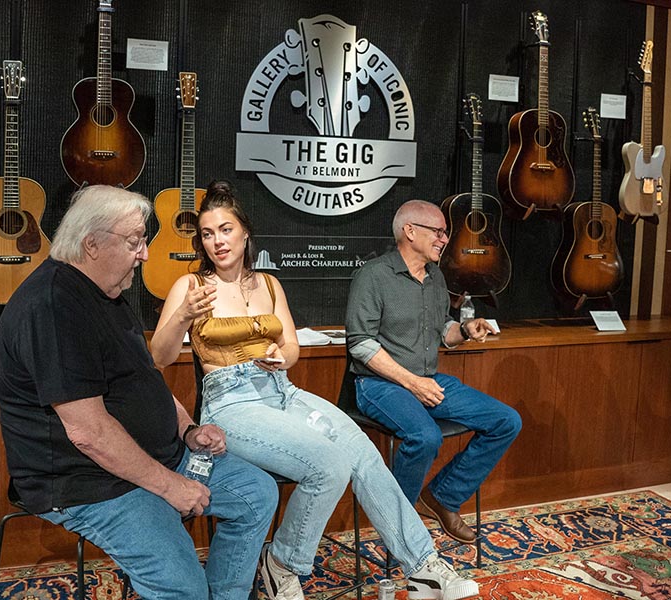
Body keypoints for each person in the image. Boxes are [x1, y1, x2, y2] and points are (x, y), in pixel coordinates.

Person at [150, 182, 480, 600]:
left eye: (225, 230)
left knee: (361, 451)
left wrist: (279, 355)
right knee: (328, 464)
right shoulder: (191, 287)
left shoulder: (268, 284)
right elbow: (159, 357)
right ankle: (282, 564)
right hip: (231, 404)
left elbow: (290, 348)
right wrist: (181, 317)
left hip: (281, 391)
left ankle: (423, 567)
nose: (217, 241)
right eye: (208, 233)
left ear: (244, 233)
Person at [0, 185, 278, 600]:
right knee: (182, 588)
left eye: (143, 240)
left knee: (257, 494)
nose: (145, 253)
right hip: (92, 480)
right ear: (91, 243)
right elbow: (88, 433)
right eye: (134, 242)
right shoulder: (52, 306)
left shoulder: (109, 290)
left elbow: (145, 380)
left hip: (158, 457)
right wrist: (169, 486)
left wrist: (188, 431)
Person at [345, 199, 522, 545]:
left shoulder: (436, 276)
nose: (444, 239)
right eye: (438, 232)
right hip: (379, 384)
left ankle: (442, 498)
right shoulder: (373, 276)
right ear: (410, 232)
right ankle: (400, 525)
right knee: (426, 438)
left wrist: (465, 330)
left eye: (445, 232)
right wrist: (413, 383)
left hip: (427, 380)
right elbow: (360, 344)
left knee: (506, 421)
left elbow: (442, 330)